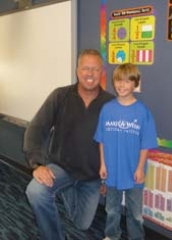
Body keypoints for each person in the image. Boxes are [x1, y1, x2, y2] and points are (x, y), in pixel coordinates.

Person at [24, 49, 114, 240]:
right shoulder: (60, 96)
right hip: (61, 167)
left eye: (95, 69)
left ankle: (67, 188)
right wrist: (37, 165)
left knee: (81, 225)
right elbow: (36, 128)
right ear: (77, 70)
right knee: (35, 191)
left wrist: (109, 178)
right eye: (85, 68)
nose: (90, 74)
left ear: (102, 72)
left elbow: (115, 145)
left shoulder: (111, 104)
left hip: (91, 176)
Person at [94, 63, 158, 240]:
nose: (121, 85)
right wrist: (102, 164)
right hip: (112, 170)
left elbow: (146, 144)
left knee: (135, 213)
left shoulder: (143, 112)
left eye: (127, 81)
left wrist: (139, 168)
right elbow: (101, 140)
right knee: (111, 209)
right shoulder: (107, 109)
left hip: (134, 171)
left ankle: (136, 237)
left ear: (135, 84)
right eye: (118, 81)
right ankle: (112, 235)